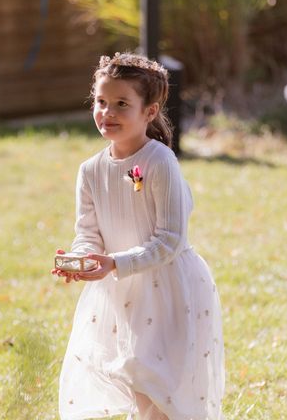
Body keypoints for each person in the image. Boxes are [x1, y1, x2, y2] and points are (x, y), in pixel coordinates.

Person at [52, 53, 224, 420]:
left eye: (121, 104)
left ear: (149, 111)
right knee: (139, 392)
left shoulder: (159, 161)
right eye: (101, 102)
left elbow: (171, 239)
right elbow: (88, 234)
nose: (107, 112)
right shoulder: (91, 171)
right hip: (121, 299)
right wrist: (81, 261)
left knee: (163, 398)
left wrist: (115, 262)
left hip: (170, 293)